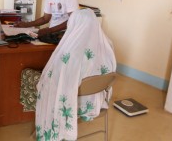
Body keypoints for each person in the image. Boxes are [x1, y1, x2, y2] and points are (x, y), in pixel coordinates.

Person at [35, 8, 117, 140]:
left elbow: (57, 78)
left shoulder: (69, 53)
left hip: (74, 101)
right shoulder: (108, 46)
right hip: (95, 100)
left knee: (39, 81)